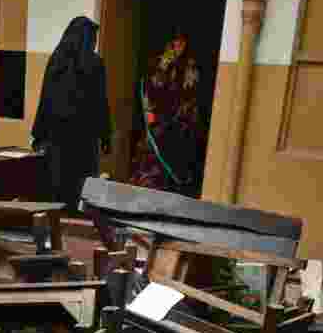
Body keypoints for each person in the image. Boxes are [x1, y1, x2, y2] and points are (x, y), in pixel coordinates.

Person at [31, 16, 112, 213]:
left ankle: (57, 220)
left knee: (58, 184)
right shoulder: (95, 63)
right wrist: (106, 135)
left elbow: (46, 99)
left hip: (58, 137)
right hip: (85, 139)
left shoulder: (57, 60)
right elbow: (100, 102)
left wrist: (39, 134)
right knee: (82, 187)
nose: (94, 43)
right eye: (93, 38)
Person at [129, 33, 204, 197]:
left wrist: (185, 119)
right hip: (156, 127)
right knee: (150, 163)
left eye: (183, 44)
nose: (179, 47)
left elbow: (191, 96)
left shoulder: (190, 67)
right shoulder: (160, 63)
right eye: (176, 43)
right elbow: (150, 90)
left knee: (172, 171)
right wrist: (164, 66)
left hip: (177, 130)